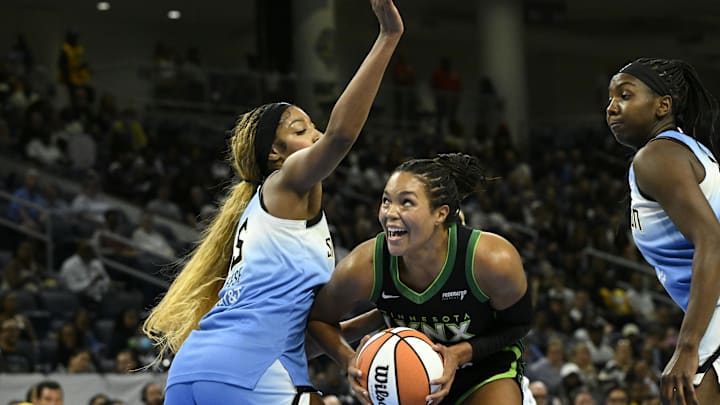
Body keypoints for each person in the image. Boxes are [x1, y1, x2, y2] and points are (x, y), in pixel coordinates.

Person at [141, 1, 403, 404]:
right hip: (247, 370)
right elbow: (340, 137)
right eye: (301, 130)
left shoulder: (277, 216)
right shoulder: (284, 183)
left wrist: (382, 318)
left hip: (194, 371)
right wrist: (388, 37)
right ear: (276, 158)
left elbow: (296, 338)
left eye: (314, 126)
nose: (315, 136)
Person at [307, 153, 532, 404]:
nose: (390, 213)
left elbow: (518, 325)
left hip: (482, 371)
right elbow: (319, 319)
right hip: (405, 378)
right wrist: (349, 360)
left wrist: (461, 353)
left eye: (406, 203)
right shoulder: (365, 264)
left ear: (440, 214)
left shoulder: (492, 260)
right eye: (386, 201)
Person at [606, 57, 720, 404]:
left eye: (625, 96)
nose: (612, 108)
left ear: (663, 106)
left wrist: (687, 346)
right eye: (609, 99)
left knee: (681, 390)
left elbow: (712, 241)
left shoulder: (657, 157)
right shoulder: (689, 150)